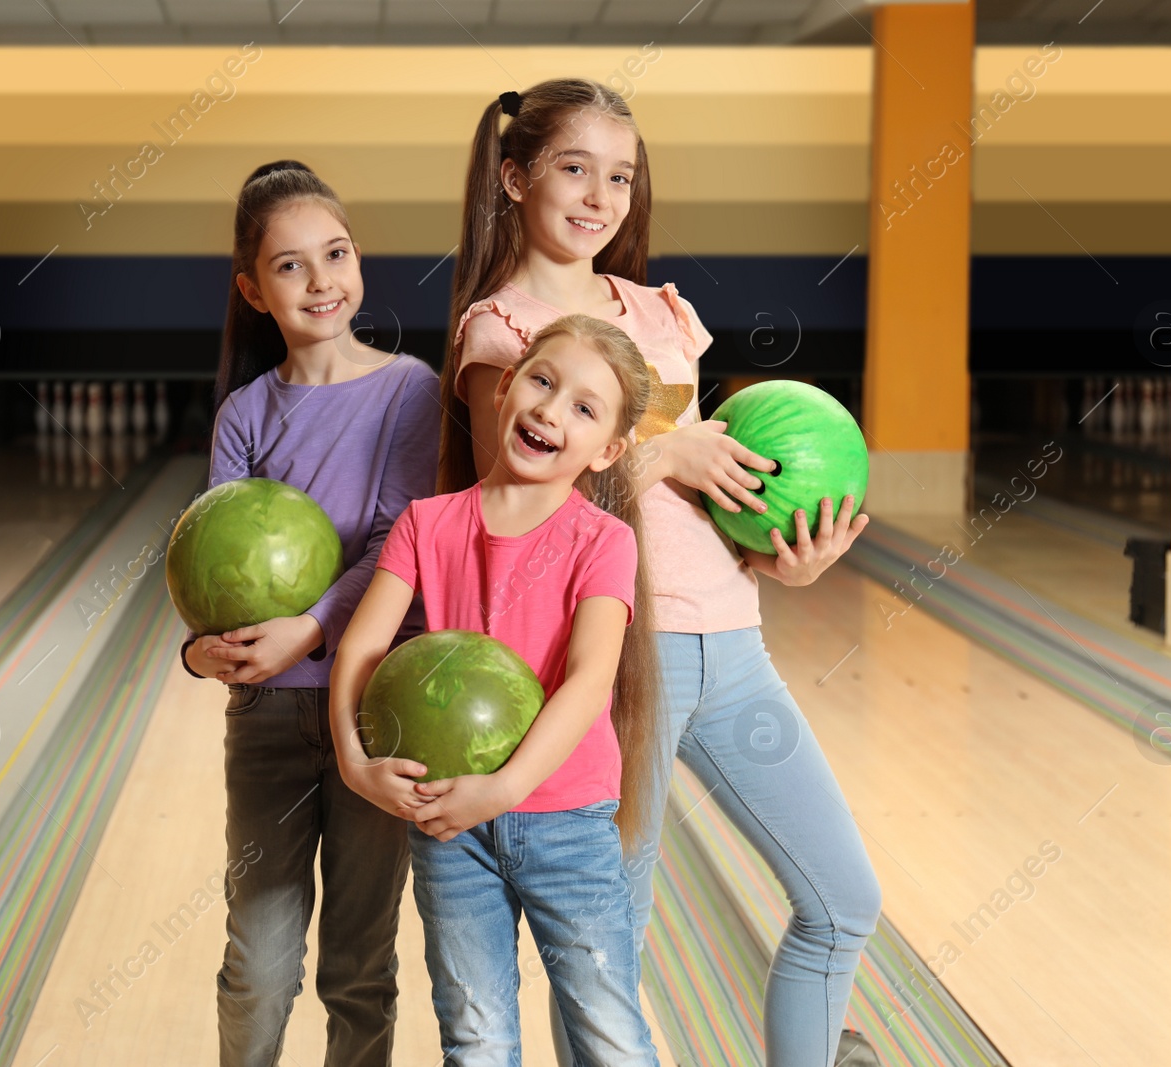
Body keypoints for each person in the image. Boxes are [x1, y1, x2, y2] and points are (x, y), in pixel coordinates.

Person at [440, 80, 884, 1067]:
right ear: (513, 177)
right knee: (607, 949)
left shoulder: (660, 313)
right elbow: (514, 499)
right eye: (573, 168)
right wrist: (663, 452)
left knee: (842, 898)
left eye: (620, 176)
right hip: (617, 662)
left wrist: (780, 556)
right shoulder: (501, 332)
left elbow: (711, 507)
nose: (600, 195)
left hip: (732, 641)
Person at [330, 313, 663, 1065]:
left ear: (608, 450)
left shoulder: (604, 540)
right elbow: (363, 645)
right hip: (449, 820)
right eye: (542, 382)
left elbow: (588, 683)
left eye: (584, 407)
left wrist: (506, 785)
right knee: (476, 1036)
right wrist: (355, 762)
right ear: (507, 386)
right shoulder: (426, 522)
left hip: (568, 819)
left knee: (609, 1031)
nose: (551, 409)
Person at [178, 159, 441, 1067]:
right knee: (258, 962)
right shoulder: (246, 412)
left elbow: (398, 541)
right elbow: (216, 568)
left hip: (373, 706)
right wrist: (200, 650)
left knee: (359, 966)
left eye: (335, 253)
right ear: (254, 289)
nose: (321, 279)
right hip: (268, 716)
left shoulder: (413, 389)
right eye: (290, 265)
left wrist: (313, 627)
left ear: (358, 261)